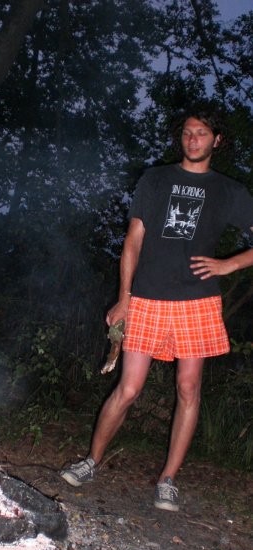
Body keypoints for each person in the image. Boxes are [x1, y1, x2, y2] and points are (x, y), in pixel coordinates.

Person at [60, 108, 253, 511]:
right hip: (147, 296)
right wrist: (124, 296)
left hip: (197, 300)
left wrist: (230, 264)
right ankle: (91, 461)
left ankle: (168, 479)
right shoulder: (157, 179)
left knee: (188, 388)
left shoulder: (229, 191)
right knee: (128, 388)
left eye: (202, 133)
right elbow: (133, 240)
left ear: (217, 140)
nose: (193, 139)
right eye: (187, 132)